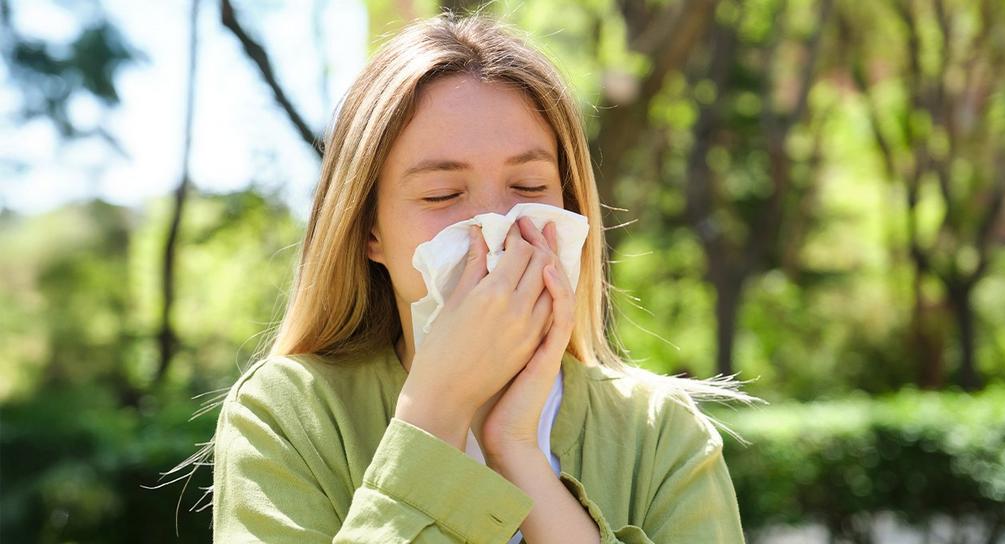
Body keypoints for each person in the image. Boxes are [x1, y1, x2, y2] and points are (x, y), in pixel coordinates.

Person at [210, 12, 750, 543]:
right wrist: (433, 416)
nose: (497, 231)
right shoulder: (288, 415)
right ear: (369, 231)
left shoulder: (658, 433)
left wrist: (517, 450)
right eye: (442, 195)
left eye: (530, 186)